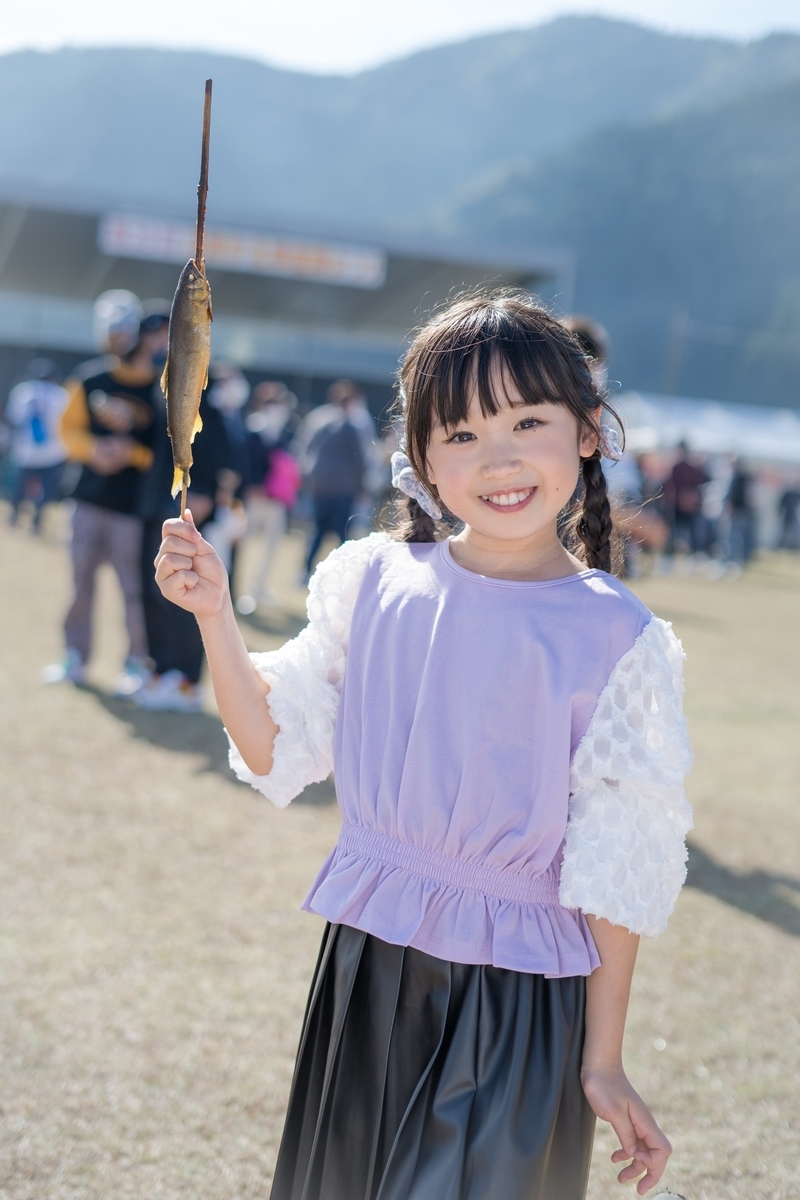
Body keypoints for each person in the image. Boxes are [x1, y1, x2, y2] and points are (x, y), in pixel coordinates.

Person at [154, 294, 692, 1200]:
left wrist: (603, 1060)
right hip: (366, 972)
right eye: (463, 434)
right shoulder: (374, 581)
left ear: (588, 431)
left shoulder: (618, 636)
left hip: (517, 1001)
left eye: (528, 422)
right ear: (422, 460)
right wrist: (214, 616)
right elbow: (270, 741)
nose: (500, 459)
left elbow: (616, 867)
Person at [46, 297, 159, 691]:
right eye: (112, 333)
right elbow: (66, 431)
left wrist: (134, 454)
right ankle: (74, 656)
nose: (118, 340)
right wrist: (94, 450)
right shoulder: (88, 378)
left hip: (134, 507)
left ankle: (137, 663)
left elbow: (168, 447)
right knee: (80, 584)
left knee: (135, 589)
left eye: (124, 332)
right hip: (88, 500)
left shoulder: (160, 385)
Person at [136, 323, 233, 712]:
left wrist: (206, 490)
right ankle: (161, 669)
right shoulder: (155, 382)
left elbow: (216, 443)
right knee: (153, 590)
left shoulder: (202, 384)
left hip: (188, 501)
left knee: (186, 590)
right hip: (153, 501)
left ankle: (187, 679)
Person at [295, 380, 367, 580]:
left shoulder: (320, 421)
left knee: (317, 532)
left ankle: (305, 571)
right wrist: (361, 486)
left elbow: (307, 451)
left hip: (320, 488)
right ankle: (344, 572)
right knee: (342, 533)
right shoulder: (350, 426)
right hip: (342, 489)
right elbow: (358, 460)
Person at [242, 381, 300, 608]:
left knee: (272, 544)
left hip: (276, 497)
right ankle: (243, 588)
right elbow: (248, 460)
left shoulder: (285, 430)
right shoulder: (254, 425)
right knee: (247, 543)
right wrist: (252, 485)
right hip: (256, 497)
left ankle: (260, 586)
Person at [4, 358, 68, 532]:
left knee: (19, 485)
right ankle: (37, 522)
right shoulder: (61, 393)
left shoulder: (24, 390)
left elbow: (14, 418)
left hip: (26, 448)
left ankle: (14, 517)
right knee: (46, 488)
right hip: (52, 450)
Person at [664, 442, 709, 555]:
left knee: (689, 530)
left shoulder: (691, 468)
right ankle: (676, 550)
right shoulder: (679, 467)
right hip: (679, 504)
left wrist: (689, 497)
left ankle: (690, 551)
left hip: (688, 505)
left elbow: (699, 486)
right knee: (678, 529)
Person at [725, 459, 757, 567]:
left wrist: (730, 506)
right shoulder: (748, 478)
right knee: (743, 535)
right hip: (746, 511)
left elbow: (734, 495)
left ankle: (734, 558)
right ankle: (743, 558)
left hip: (739, 511)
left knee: (735, 535)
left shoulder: (738, 478)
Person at [778, 478, 800, 550]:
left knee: (795, 533)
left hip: (794, 517)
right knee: (787, 533)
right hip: (789, 517)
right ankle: (782, 547)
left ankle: (792, 547)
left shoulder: (797, 495)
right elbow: (781, 505)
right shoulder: (788, 494)